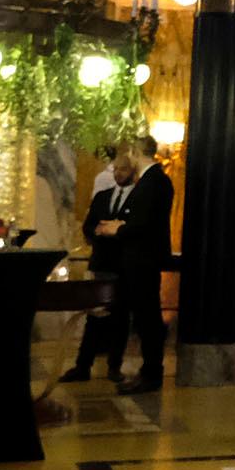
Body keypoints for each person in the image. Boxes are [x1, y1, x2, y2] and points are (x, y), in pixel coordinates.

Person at [90, 133, 176, 392]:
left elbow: (145, 225)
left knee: (148, 318)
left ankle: (151, 373)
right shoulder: (150, 180)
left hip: (144, 259)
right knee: (143, 316)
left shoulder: (154, 181)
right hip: (138, 259)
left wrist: (118, 229)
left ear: (136, 153)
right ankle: (148, 371)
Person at [61, 155, 128, 383]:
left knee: (119, 317)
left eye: (123, 169)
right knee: (94, 317)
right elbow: (88, 226)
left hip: (123, 265)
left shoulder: (135, 199)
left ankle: (114, 366)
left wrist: (116, 231)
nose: (118, 173)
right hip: (101, 263)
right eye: (116, 169)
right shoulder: (102, 197)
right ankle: (83, 366)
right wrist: (97, 232)